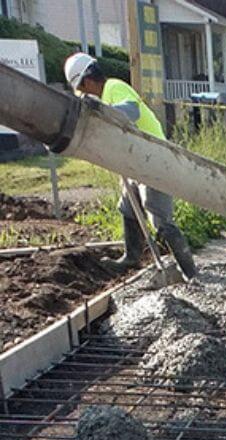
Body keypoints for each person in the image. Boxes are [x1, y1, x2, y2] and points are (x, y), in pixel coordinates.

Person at [63, 53, 197, 279]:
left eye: (82, 88)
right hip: (135, 160)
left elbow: (131, 112)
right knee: (128, 206)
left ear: (87, 80)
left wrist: (98, 108)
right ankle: (131, 257)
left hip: (153, 157)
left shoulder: (114, 87)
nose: (84, 93)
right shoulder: (105, 96)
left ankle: (190, 272)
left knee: (159, 219)